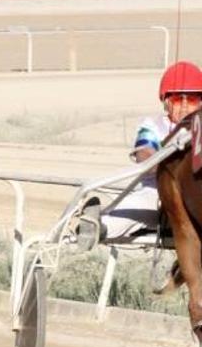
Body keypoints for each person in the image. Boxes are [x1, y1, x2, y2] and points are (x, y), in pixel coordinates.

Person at [77, 61, 202, 258]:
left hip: (196, 202)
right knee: (133, 208)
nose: (185, 107)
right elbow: (144, 156)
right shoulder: (153, 126)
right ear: (166, 101)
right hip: (158, 196)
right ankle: (95, 226)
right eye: (179, 99)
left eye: (193, 100)